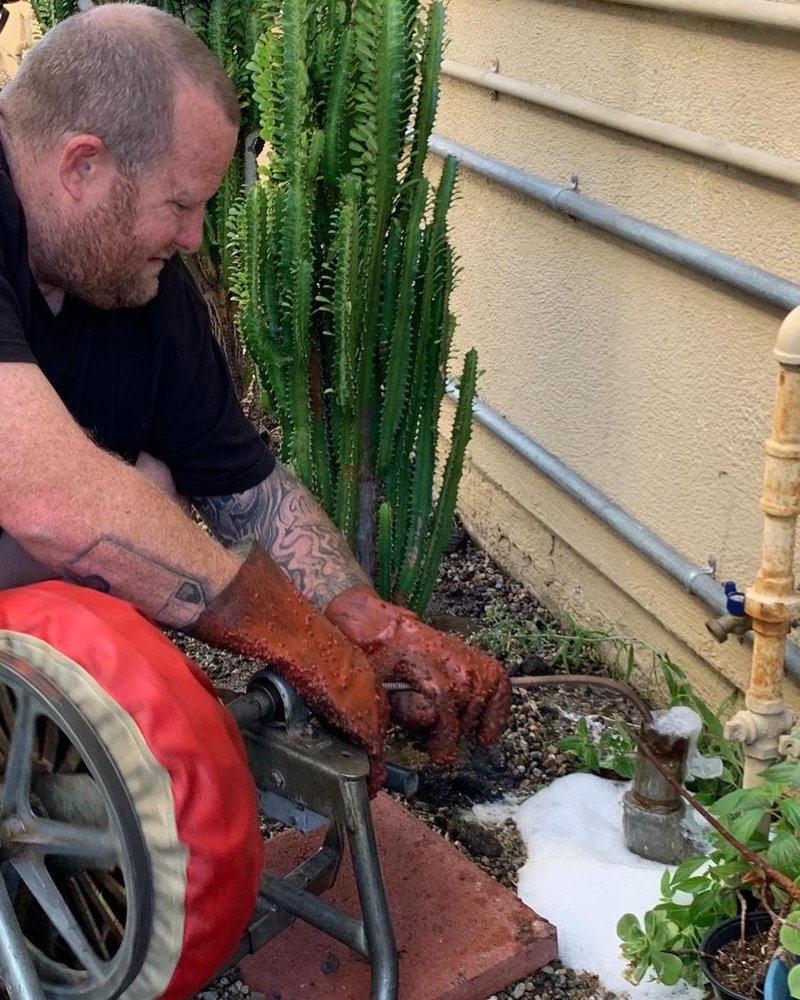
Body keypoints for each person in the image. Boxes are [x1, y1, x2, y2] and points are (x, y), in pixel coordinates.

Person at [0, 2, 510, 786]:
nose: (194, 237)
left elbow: (246, 488)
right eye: (180, 205)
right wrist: (295, 640)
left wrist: (367, 627)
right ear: (82, 167)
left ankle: (49, 761)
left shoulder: (138, 288)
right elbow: (45, 492)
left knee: (154, 489)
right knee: (115, 509)